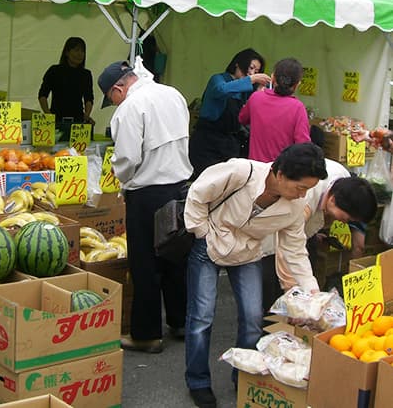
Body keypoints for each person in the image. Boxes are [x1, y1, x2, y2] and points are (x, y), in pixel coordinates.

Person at [183, 143, 327, 408]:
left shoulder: (295, 207)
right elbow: (197, 193)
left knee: (252, 318)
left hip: (248, 253)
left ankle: (244, 377)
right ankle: (198, 381)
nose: (302, 195)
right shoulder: (241, 171)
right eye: (300, 187)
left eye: (307, 190)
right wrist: (201, 232)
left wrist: (313, 294)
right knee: (201, 316)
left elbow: (295, 250)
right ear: (280, 174)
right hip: (212, 243)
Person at [97, 61, 193, 353]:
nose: (113, 103)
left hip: (147, 194)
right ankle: (180, 322)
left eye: (111, 98)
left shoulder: (129, 107)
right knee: (175, 256)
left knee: (145, 264)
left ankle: (147, 334)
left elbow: (126, 158)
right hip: (179, 188)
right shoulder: (173, 94)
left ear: (118, 88)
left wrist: (120, 179)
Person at [263, 159, 378, 310]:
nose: (344, 223)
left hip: (298, 232)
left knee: (304, 277)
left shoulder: (343, 181)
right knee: (274, 295)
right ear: (333, 199)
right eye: (347, 218)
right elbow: (287, 248)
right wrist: (291, 292)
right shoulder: (303, 198)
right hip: (268, 235)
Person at [189, 48, 270, 179]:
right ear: (238, 63)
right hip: (207, 142)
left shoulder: (247, 90)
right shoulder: (218, 79)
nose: (252, 73)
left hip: (229, 145)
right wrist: (251, 79)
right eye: (251, 67)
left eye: (256, 71)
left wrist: (259, 93)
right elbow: (221, 90)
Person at [239, 57, 310, 162]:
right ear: (297, 84)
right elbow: (303, 146)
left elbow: (242, 118)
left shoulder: (256, 97)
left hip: (255, 169)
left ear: (272, 78)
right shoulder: (298, 107)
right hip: (282, 172)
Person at [38, 36, 95, 127]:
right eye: (76, 50)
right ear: (67, 52)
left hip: (78, 120)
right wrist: (48, 115)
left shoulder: (86, 74)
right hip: (56, 119)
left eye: (82, 51)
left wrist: (87, 115)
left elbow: (89, 98)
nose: (80, 54)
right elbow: (42, 95)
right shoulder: (54, 71)